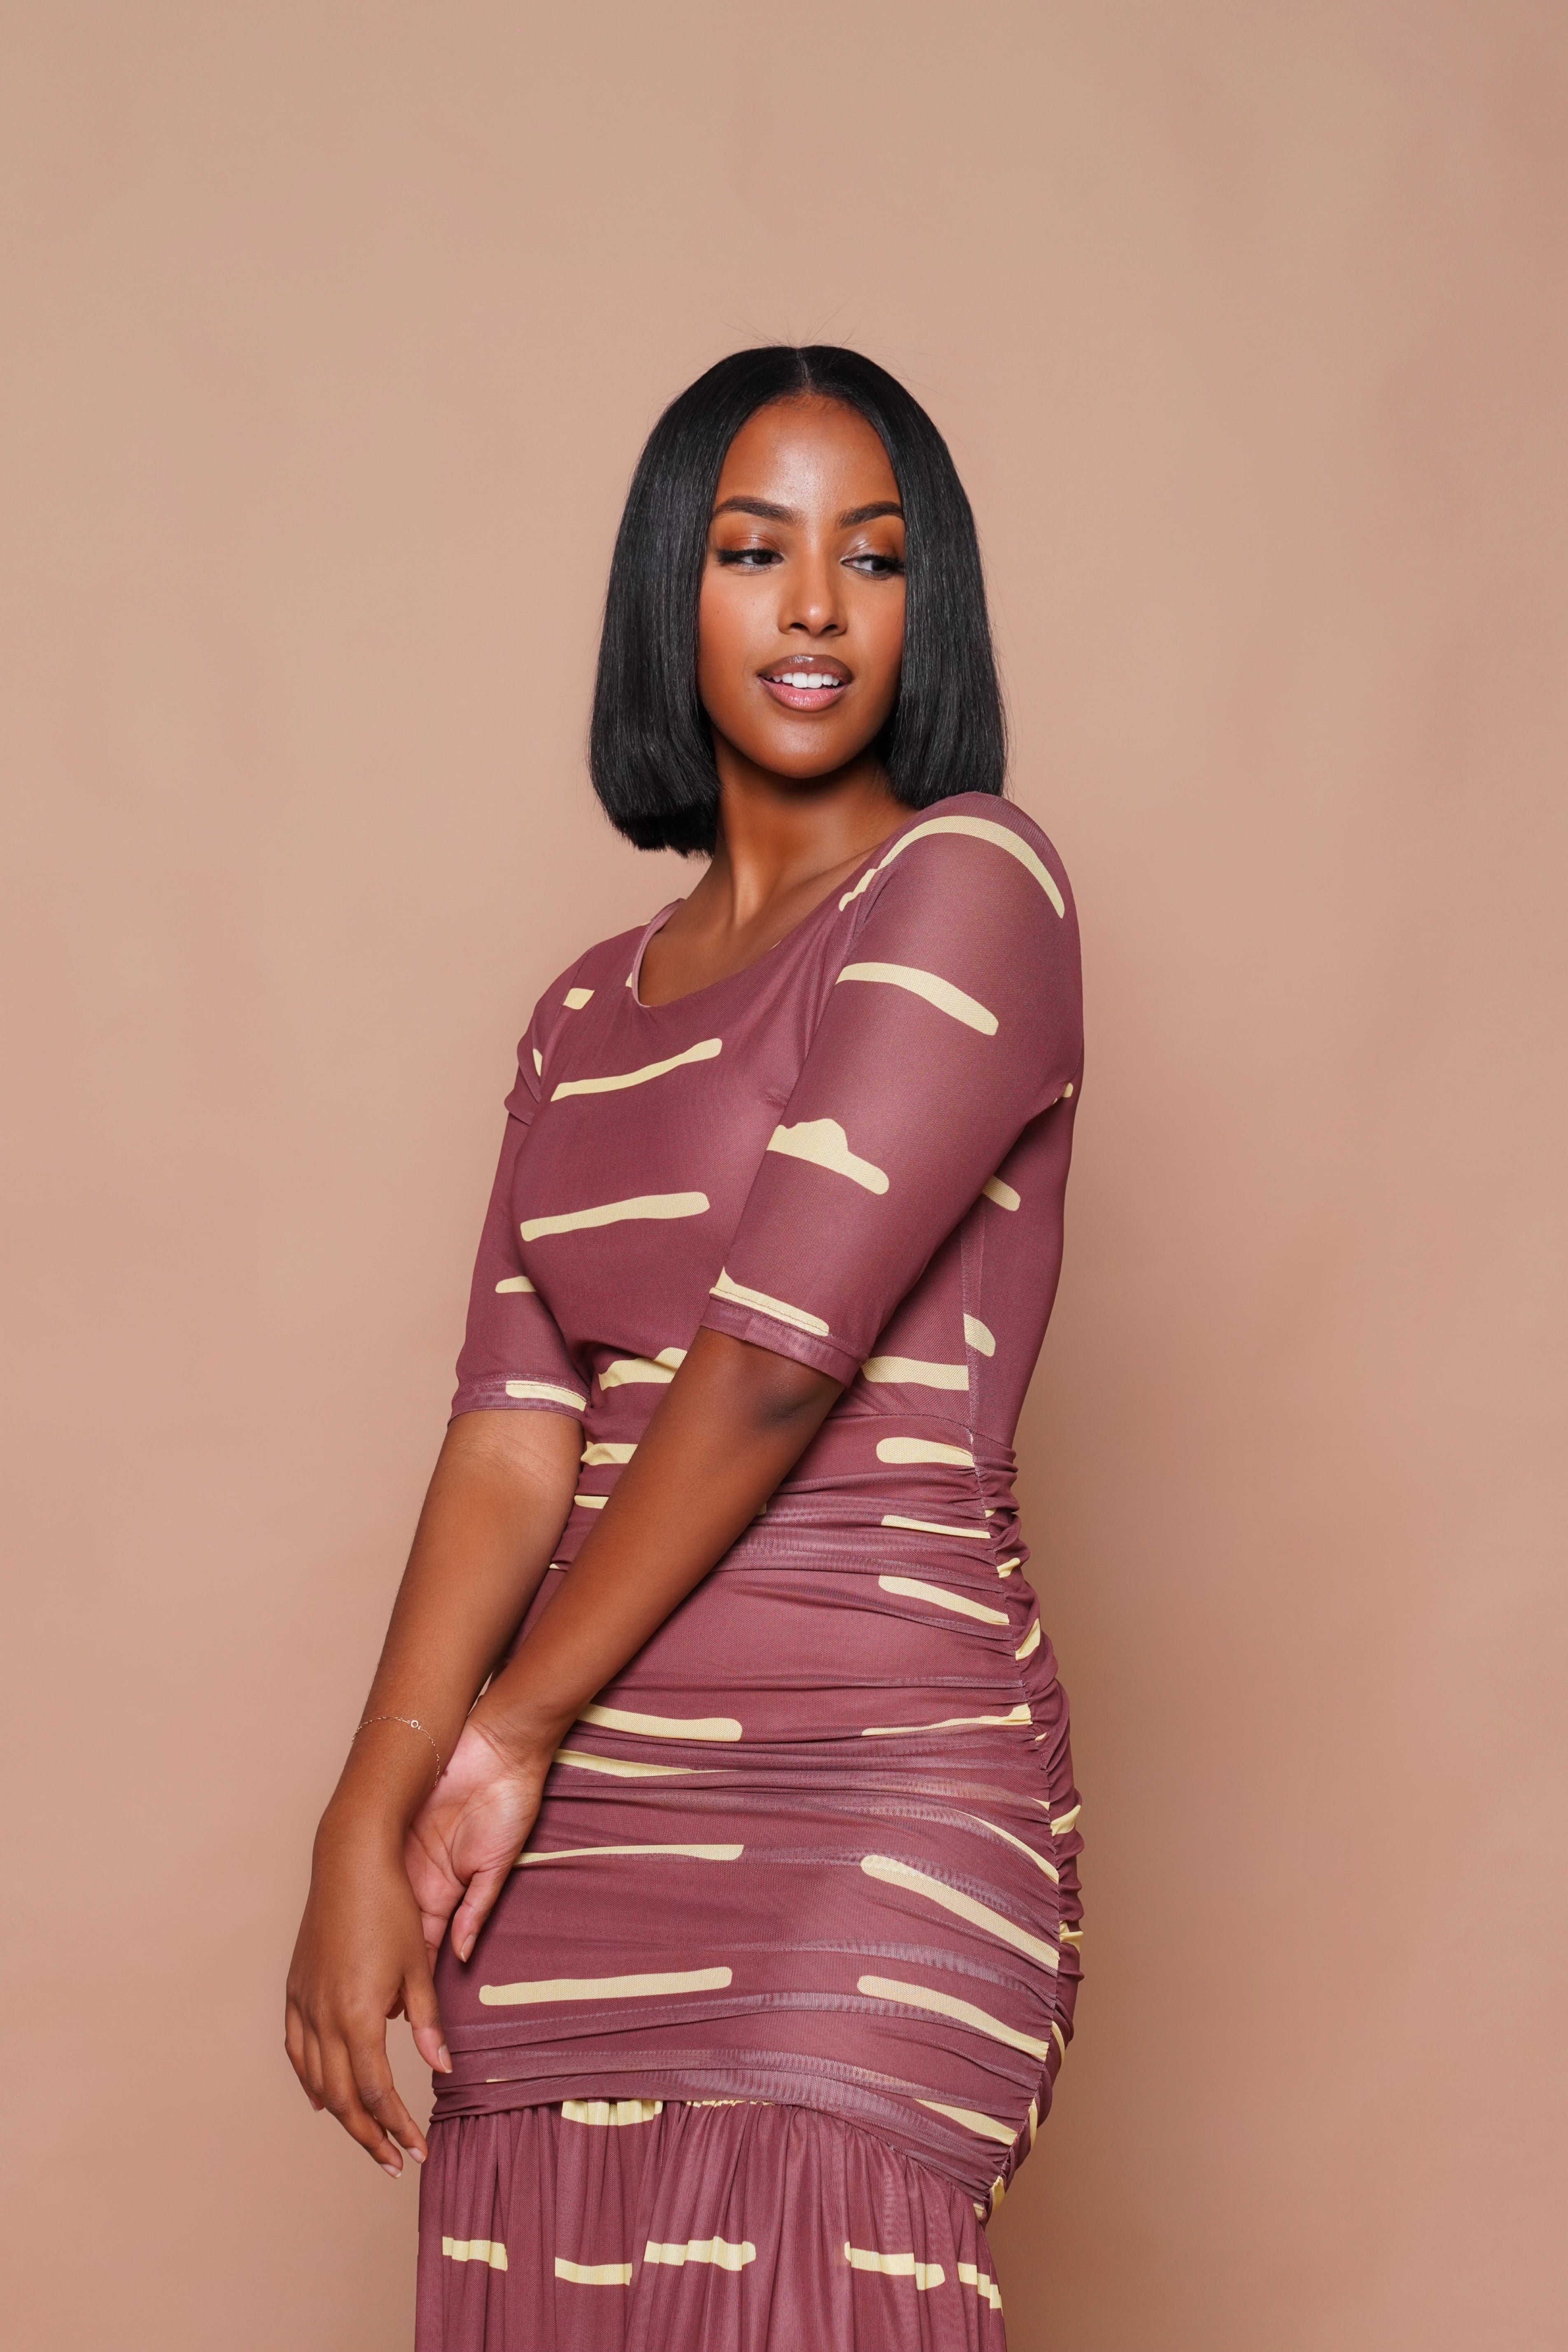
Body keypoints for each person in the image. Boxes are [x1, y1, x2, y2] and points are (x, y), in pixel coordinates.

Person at [286, 344, 1085, 2350]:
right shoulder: (582, 1011)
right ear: (672, 587)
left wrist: (502, 1733)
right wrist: (367, 1815)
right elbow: (506, 1434)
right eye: (752, 551)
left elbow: (773, 1360)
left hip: (866, 1797)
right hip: (566, 1836)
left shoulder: (968, 885)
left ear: (927, 604)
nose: (814, 607)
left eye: (871, 558)